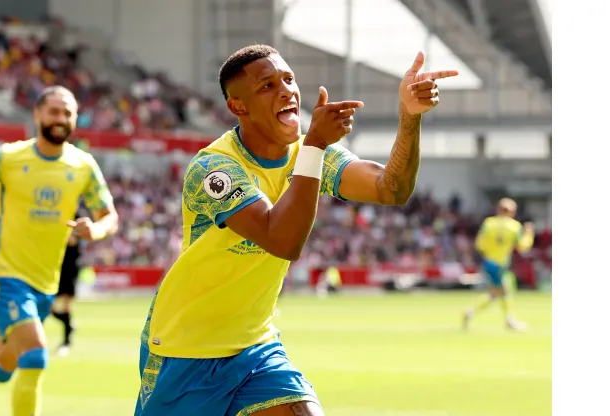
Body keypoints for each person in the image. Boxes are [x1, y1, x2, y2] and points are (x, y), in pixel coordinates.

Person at [134, 44, 458, 416]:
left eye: (288, 79)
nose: (286, 90)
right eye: (267, 86)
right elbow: (282, 240)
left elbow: (391, 188)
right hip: (185, 349)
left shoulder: (310, 154)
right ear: (238, 107)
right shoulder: (213, 169)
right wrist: (316, 144)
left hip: (255, 347)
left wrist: (409, 116)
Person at [0, 86, 119, 416]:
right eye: (54, 111)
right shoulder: (9, 157)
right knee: (34, 356)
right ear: (37, 114)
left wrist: (97, 229)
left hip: (46, 281)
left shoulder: (84, 165)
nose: (60, 119)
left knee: (2, 367)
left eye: (68, 113)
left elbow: (109, 216)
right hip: (4, 272)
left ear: (75, 119)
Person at [463, 198, 535, 331]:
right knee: (503, 291)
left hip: (489, 262)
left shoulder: (489, 223)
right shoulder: (514, 227)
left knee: (500, 291)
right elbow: (523, 247)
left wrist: (490, 252)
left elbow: (480, 244)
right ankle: (508, 320)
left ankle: (473, 313)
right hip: (500, 263)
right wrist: (529, 233)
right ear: (512, 212)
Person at [51, 212, 84, 356]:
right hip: (56, 271)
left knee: (66, 307)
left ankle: (66, 341)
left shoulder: (76, 217)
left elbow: (73, 241)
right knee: (49, 308)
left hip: (69, 271)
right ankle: (69, 325)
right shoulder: (56, 214)